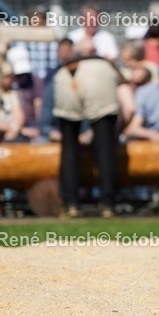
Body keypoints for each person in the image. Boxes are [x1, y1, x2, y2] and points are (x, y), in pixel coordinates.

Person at [50, 55, 135, 217]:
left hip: (64, 76)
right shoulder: (110, 68)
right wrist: (117, 131)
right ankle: (107, 204)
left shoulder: (75, 63)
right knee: (105, 149)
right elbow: (130, 108)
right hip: (98, 81)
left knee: (69, 148)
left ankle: (71, 204)